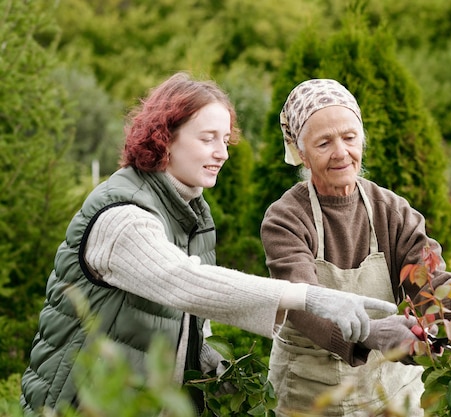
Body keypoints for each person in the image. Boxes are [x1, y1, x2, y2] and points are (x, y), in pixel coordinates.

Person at [20, 73, 399, 415]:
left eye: (225, 140)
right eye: (207, 139)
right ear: (164, 137)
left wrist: (218, 373)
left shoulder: (188, 214)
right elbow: (183, 283)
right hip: (79, 404)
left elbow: (178, 322)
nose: (222, 153)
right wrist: (308, 297)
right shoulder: (123, 217)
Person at [261, 78, 451, 416]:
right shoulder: (286, 219)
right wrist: (373, 332)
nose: (341, 152)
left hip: (388, 392)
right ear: (302, 153)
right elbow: (304, 302)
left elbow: (427, 287)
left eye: (350, 138)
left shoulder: (390, 209)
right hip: (309, 393)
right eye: (324, 143)